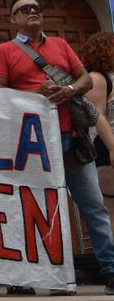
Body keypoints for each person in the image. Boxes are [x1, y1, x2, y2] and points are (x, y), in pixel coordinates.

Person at [0, 0, 114, 296]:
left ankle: (111, 269)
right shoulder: (4, 50)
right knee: (30, 209)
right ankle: (27, 275)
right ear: (13, 20)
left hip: (71, 138)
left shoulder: (60, 45)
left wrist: (67, 89)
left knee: (93, 206)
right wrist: (36, 94)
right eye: (24, 9)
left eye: (37, 8)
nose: (33, 12)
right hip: (31, 144)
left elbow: (84, 80)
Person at [81, 32, 114, 234]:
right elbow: (97, 115)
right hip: (106, 148)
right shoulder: (97, 78)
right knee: (110, 213)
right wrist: (112, 146)